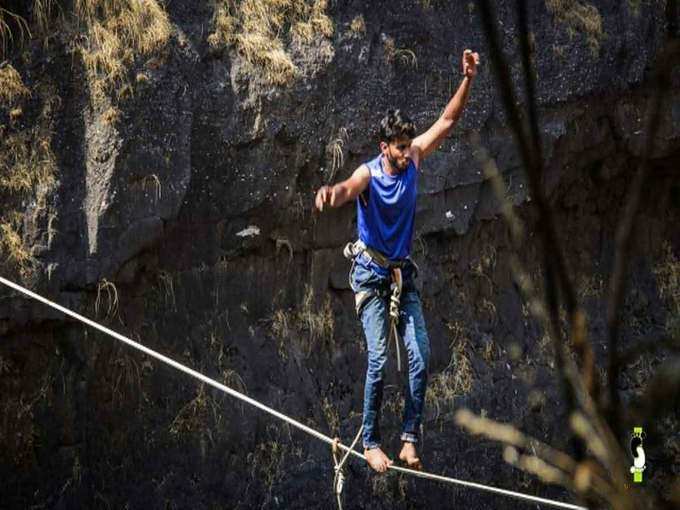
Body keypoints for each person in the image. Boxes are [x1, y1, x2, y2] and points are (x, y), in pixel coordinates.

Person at [314, 49, 480, 473]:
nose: (408, 153)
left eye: (410, 147)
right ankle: (370, 443)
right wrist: (331, 194)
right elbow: (349, 187)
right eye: (400, 148)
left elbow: (446, 121)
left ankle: (408, 439)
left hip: (402, 276)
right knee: (378, 359)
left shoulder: (414, 159)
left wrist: (467, 79)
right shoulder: (371, 173)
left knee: (421, 356)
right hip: (370, 277)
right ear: (384, 147)